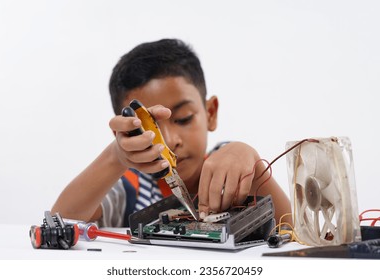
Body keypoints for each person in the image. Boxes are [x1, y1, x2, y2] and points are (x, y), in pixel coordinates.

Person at [51, 38, 291, 227]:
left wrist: (254, 165)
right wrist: (115, 158)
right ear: (124, 135)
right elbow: (59, 223)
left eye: (184, 118)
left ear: (210, 113)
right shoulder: (129, 190)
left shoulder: (233, 171)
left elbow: (294, 232)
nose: (169, 141)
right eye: (148, 129)